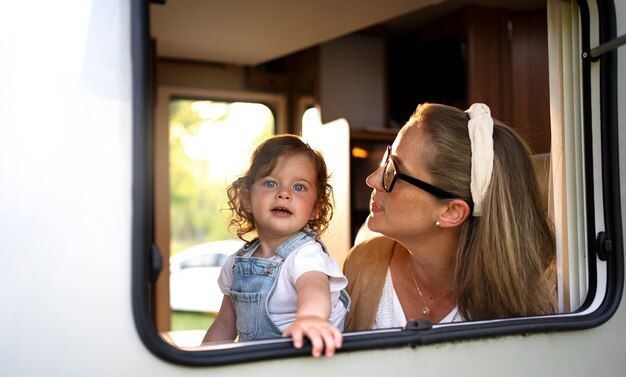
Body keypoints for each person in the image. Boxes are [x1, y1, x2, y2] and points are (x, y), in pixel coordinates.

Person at [343, 102, 556, 330]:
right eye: (387, 160)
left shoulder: (539, 297)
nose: (372, 180)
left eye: (393, 171)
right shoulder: (361, 265)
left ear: (451, 212)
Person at [202, 134, 350, 357]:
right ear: (247, 199)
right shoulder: (235, 264)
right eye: (271, 183)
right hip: (258, 370)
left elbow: (314, 287)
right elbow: (224, 325)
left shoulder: (305, 254)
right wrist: (202, 360)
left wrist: (311, 318)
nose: (284, 193)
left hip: (304, 368)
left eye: (299, 187)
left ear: (315, 208)